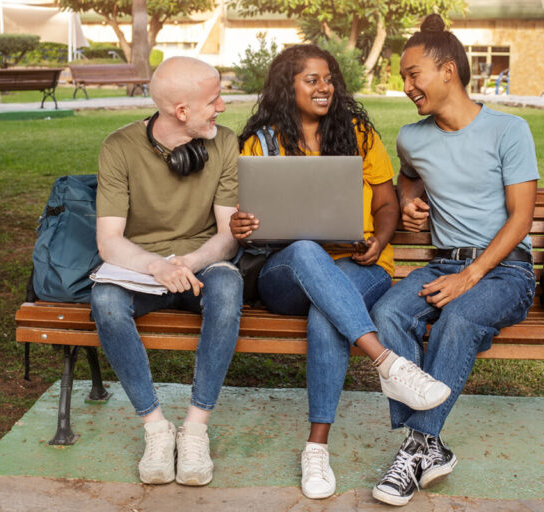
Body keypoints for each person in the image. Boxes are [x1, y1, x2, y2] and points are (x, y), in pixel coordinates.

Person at [229, 44, 451, 500]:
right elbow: (249, 224)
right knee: (309, 249)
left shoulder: (356, 134)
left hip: (360, 265)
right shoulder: (263, 142)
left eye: (329, 79)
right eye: (312, 79)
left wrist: (380, 239)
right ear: (286, 86)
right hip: (286, 272)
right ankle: (387, 362)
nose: (324, 87)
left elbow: (387, 202)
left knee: (325, 315)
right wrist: (242, 225)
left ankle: (316, 449)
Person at [369, 15, 539, 506]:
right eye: (402, 77)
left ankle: (416, 447)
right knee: (386, 313)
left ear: (448, 71)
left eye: (412, 74)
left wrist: (473, 275)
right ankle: (430, 446)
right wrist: (407, 199)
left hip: (504, 271)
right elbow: (407, 176)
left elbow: (521, 218)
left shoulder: (509, 130)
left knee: (458, 320)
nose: (405, 87)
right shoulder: (412, 137)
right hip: (443, 264)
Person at [90, 56, 243, 486]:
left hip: (202, 265)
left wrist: (190, 263)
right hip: (141, 268)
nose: (222, 107)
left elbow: (229, 233)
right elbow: (110, 241)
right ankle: (156, 429)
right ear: (181, 111)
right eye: (214, 100)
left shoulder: (225, 142)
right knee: (104, 300)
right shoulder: (118, 147)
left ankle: (195, 429)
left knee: (229, 287)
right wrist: (157, 267)